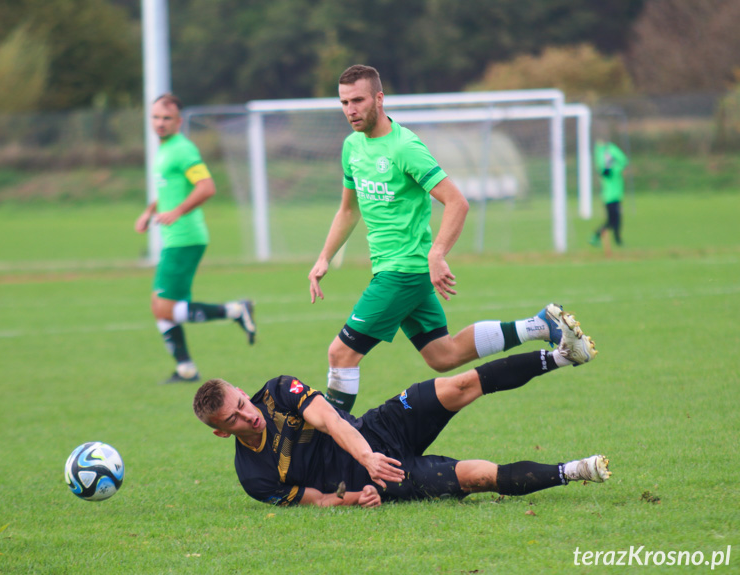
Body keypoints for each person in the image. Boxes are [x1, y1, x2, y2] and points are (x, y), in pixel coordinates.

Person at [308, 64, 572, 413]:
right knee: (443, 355)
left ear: (379, 98)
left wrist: (438, 254)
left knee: (340, 354)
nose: (350, 110)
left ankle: (334, 440)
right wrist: (324, 256)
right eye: (344, 102)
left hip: (402, 271)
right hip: (395, 270)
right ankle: (540, 325)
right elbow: (348, 210)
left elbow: (456, 202)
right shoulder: (352, 147)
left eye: (358, 100)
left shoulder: (405, 148)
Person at [193, 309, 604, 507]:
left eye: (242, 403)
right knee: (477, 477)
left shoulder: (278, 392)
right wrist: (358, 497)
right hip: (378, 478)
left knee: (460, 384)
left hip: (377, 431)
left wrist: (369, 454)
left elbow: (332, 421)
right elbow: (316, 499)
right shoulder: (254, 477)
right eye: (234, 418)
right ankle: (575, 471)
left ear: (244, 392)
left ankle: (565, 356)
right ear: (221, 431)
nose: (248, 414)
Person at [136, 93, 256, 384]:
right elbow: (169, 190)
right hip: (175, 237)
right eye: (156, 117)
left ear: (178, 121)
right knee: (160, 305)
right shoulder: (164, 150)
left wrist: (176, 211)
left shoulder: (183, 150)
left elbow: (207, 187)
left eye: (167, 118)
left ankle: (235, 310)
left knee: (162, 307)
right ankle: (186, 369)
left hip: (185, 238)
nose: (160, 123)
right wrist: (150, 210)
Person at [590, 140, 628, 254]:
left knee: (615, 221)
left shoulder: (607, 172)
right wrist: (610, 148)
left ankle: (617, 240)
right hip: (611, 199)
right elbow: (623, 161)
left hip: (612, 198)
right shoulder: (614, 171)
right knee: (612, 222)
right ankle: (596, 236)